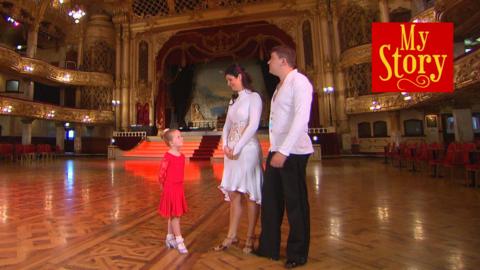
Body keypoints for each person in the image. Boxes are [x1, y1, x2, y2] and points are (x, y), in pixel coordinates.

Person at [255, 45, 314, 268]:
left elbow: (301, 119)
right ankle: (268, 248)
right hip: (277, 150)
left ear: (283, 61)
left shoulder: (300, 82)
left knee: (295, 203)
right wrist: (275, 150)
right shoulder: (280, 86)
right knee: (270, 202)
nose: (268, 62)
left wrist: (284, 151)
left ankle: (297, 254)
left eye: (271, 58)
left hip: (293, 152)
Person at [214, 63, 263, 254]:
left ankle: (250, 237)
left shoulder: (254, 97)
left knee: (250, 194)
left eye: (230, 80)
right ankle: (231, 236)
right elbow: (226, 125)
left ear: (240, 76)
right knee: (234, 193)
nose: (229, 84)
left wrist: (237, 147)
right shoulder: (233, 101)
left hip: (247, 150)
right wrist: (225, 145)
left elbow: (253, 125)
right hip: (231, 153)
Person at [158, 128, 188, 254]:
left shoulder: (182, 156)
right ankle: (179, 240)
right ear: (171, 143)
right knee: (175, 215)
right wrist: (163, 186)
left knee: (175, 213)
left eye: (181, 136)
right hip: (170, 188)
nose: (181, 138)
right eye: (178, 137)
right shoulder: (168, 156)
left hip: (178, 187)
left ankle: (170, 237)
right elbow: (162, 172)